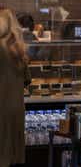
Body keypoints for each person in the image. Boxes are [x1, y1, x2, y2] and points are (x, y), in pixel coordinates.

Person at [0, 9, 30, 167]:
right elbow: (27, 79)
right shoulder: (19, 49)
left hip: (1, 109)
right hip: (17, 111)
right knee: (13, 157)